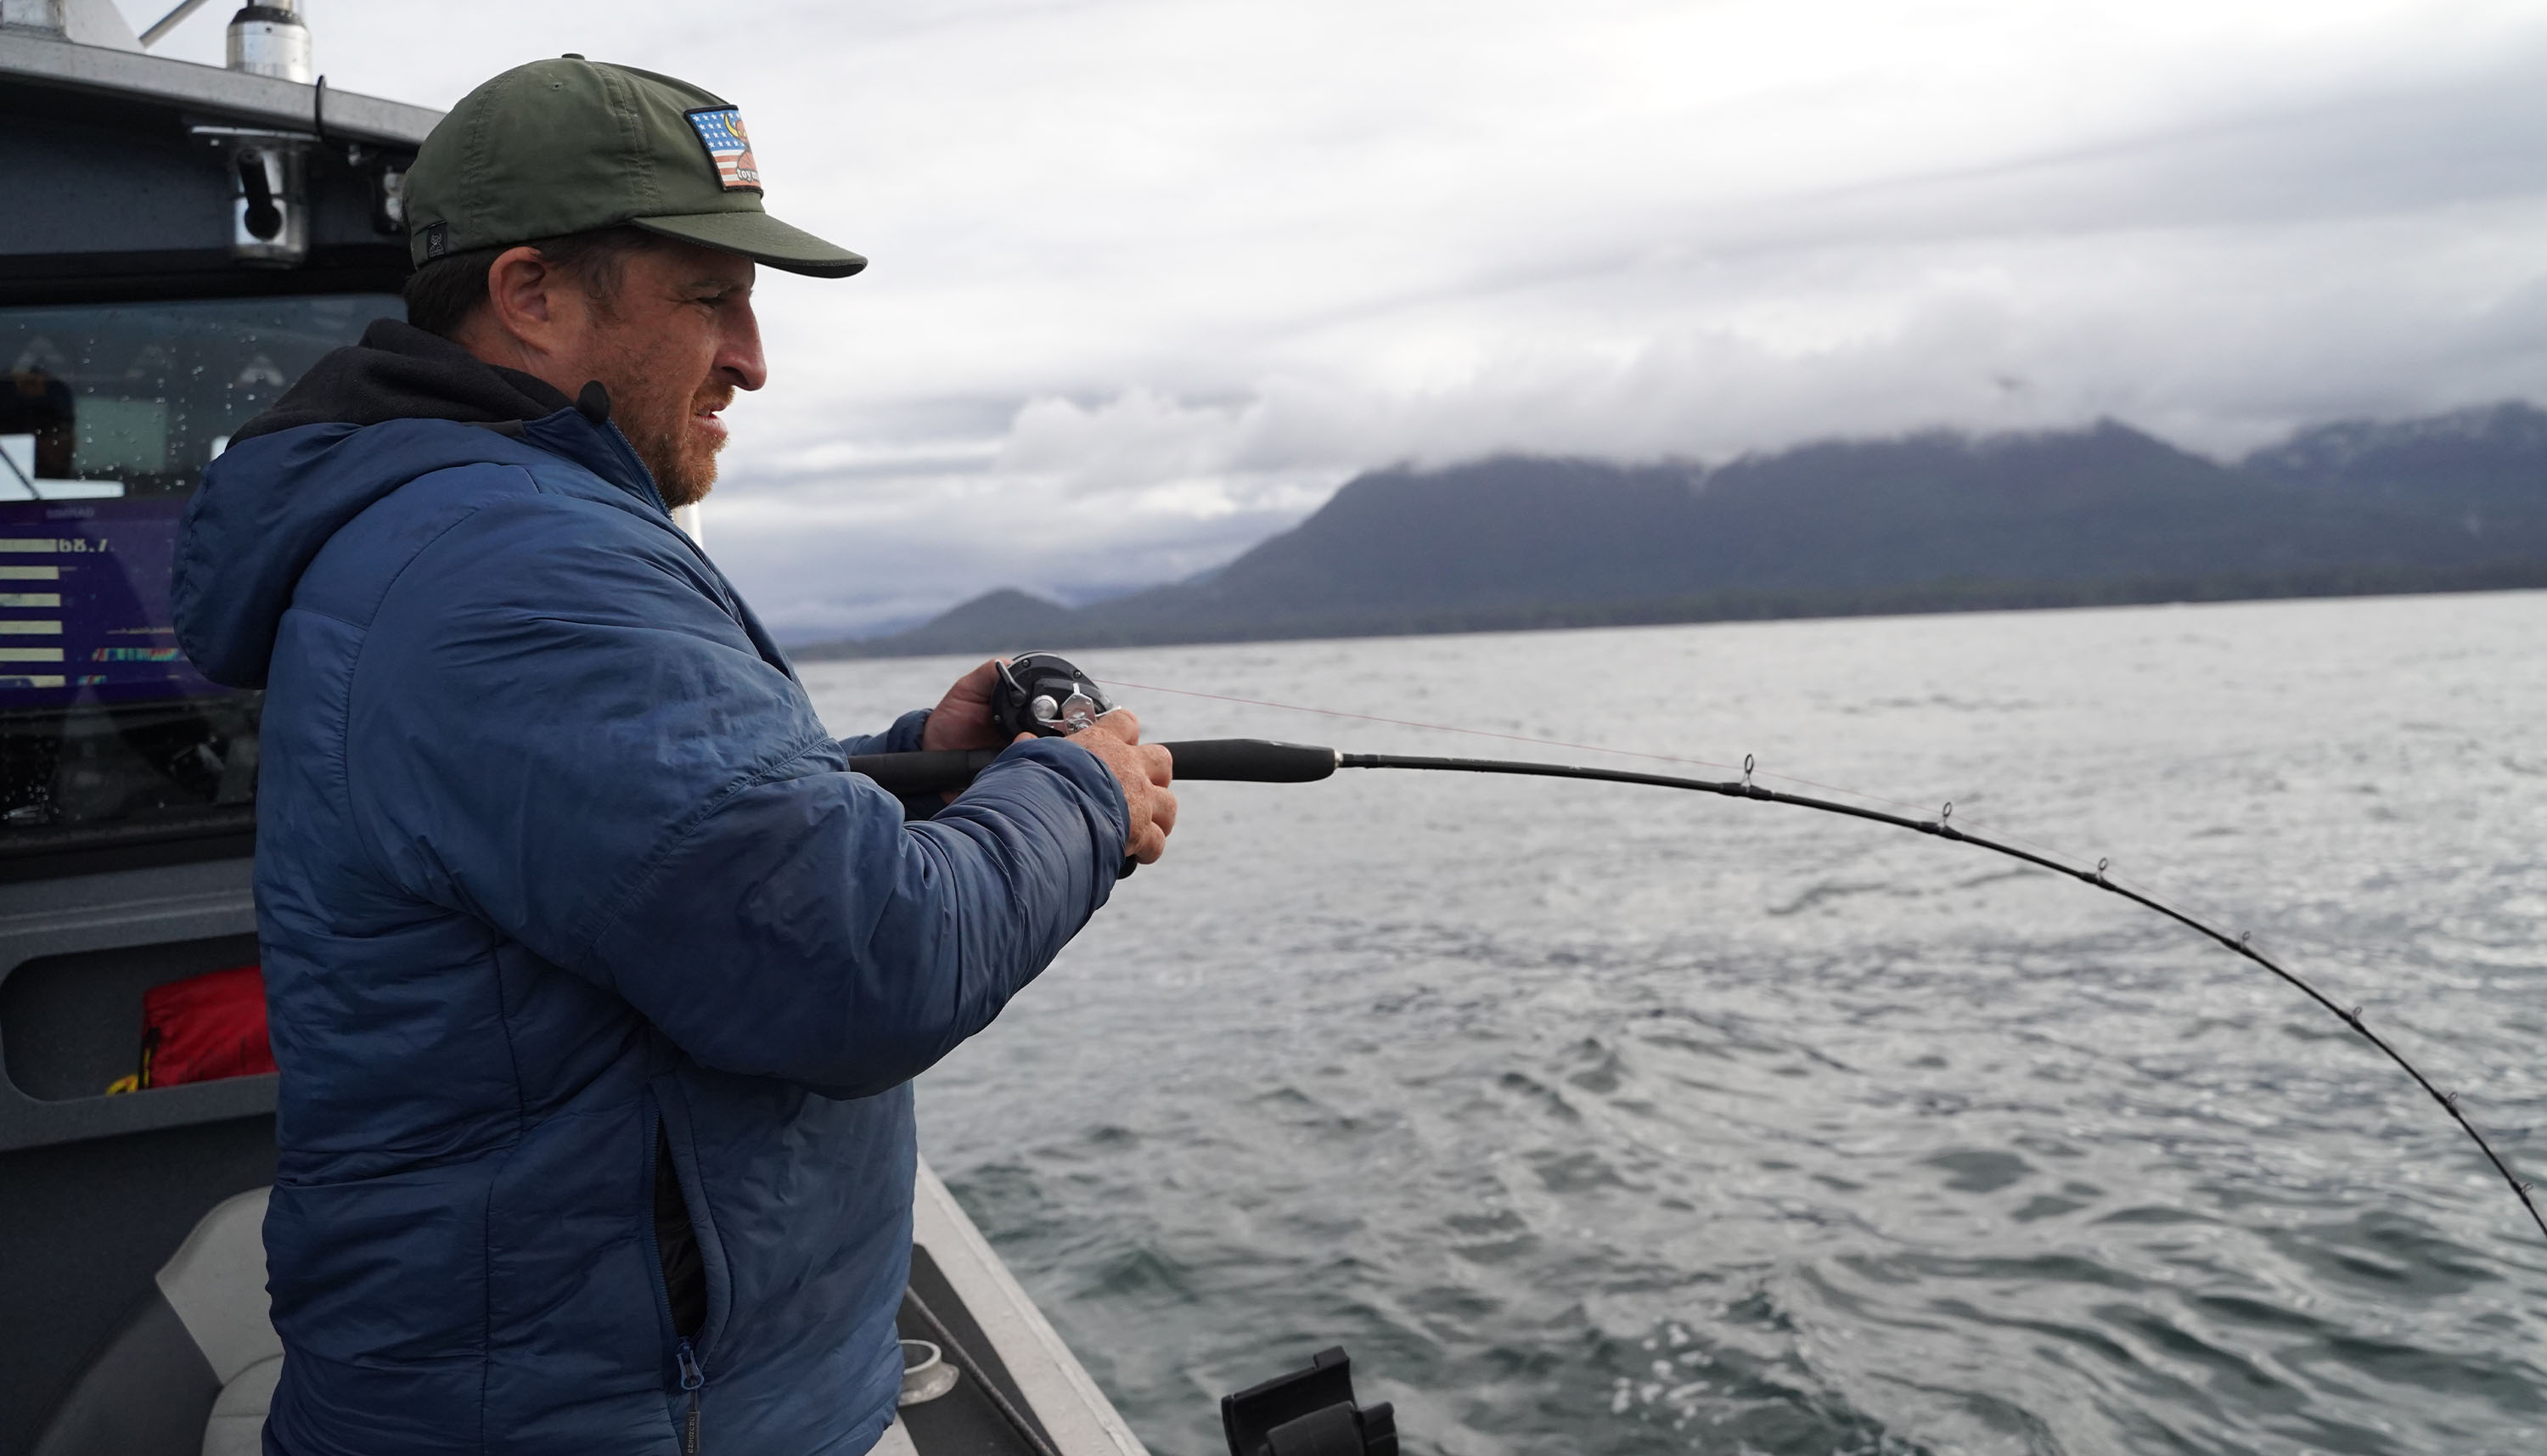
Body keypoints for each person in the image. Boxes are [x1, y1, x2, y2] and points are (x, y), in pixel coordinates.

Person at [170, 57, 1174, 1456]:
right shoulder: (510, 569)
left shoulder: (475, 532)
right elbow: (854, 963)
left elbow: (644, 839)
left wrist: (920, 766)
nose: (755, 356)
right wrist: (1080, 797)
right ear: (531, 294)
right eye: (712, 297)